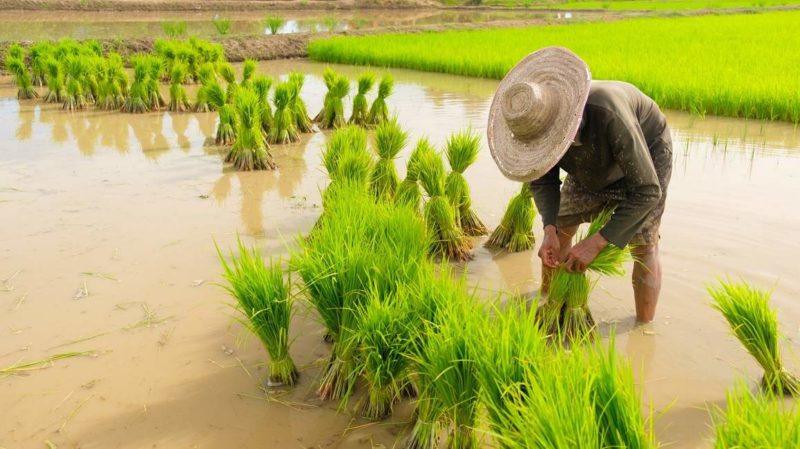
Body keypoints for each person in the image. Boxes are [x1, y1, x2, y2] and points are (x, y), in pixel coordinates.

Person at [486, 47, 672, 323]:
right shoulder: (537, 132)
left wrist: (596, 242)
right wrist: (549, 228)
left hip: (645, 156)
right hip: (586, 158)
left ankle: (642, 327)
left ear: (565, 126)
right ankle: (553, 304)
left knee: (644, 246)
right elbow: (542, 178)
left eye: (548, 142)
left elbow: (647, 191)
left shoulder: (608, 111)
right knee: (560, 229)